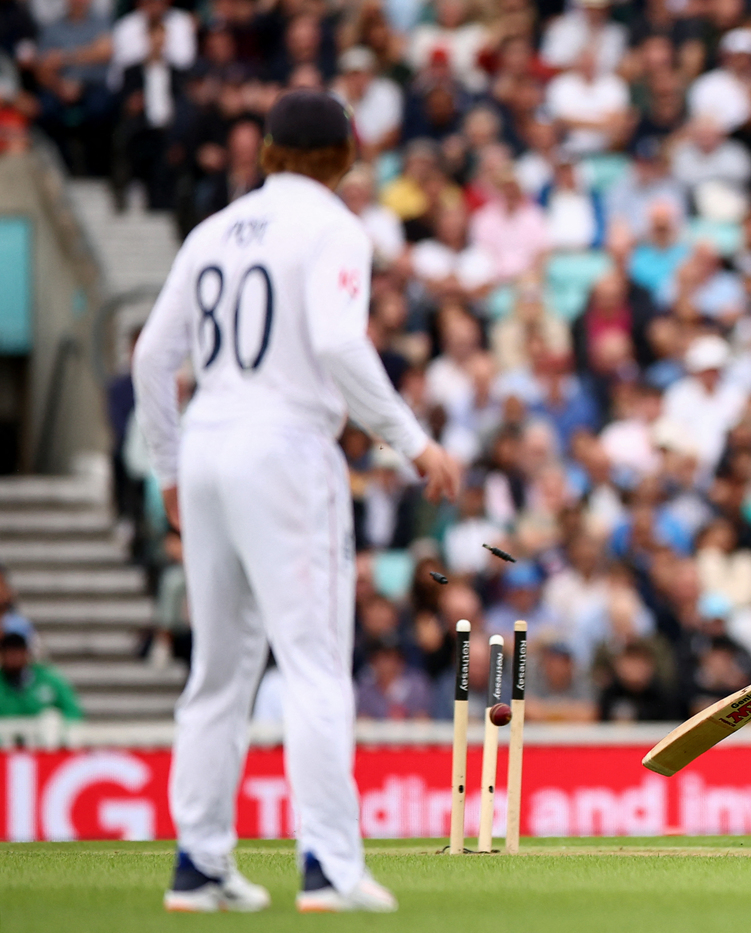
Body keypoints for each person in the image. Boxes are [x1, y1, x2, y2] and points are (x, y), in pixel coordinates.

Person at [133, 90, 459, 913]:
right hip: (283, 446)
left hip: (206, 442)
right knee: (313, 662)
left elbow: (149, 357)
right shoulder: (333, 227)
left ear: (271, 149)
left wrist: (169, 470)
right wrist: (411, 438)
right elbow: (339, 341)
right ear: (343, 153)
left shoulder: (213, 230)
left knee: (217, 673)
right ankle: (328, 865)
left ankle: (199, 864)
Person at [0, 632, 82, 720]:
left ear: (26, 653)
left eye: (17, 653)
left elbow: (73, 712)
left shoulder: (49, 680)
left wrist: (56, 723)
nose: (13, 658)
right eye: (9, 653)